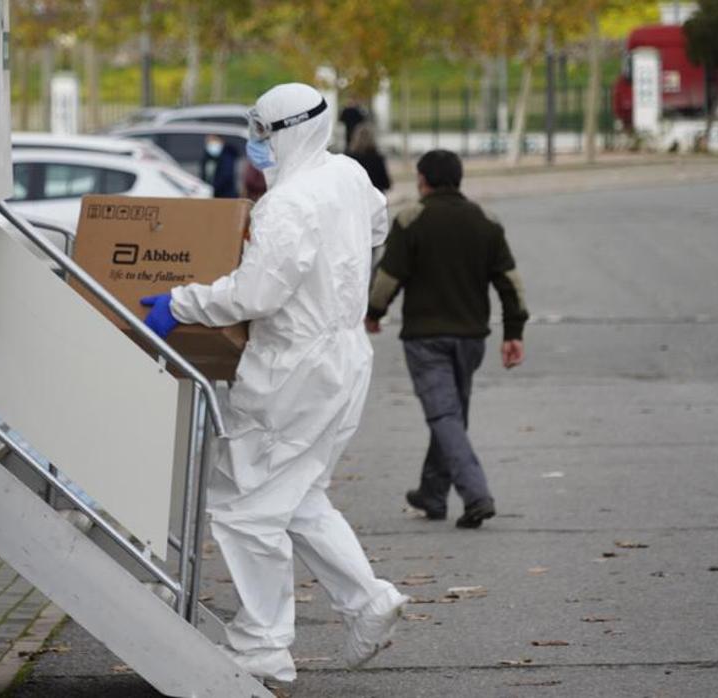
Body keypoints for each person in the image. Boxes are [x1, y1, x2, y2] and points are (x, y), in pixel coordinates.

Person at [139, 83, 409, 684]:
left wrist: (182, 303)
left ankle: (263, 644)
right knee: (298, 492)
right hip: (344, 357)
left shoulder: (285, 205)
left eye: (262, 131)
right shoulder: (347, 176)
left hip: (294, 368)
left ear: (287, 130)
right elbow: (375, 229)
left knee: (245, 507)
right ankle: (367, 601)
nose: (255, 145)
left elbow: (257, 294)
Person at [365, 150, 528, 529]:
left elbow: (389, 276)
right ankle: (432, 494)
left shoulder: (411, 220)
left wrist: (374, 312)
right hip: (471, 339)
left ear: (423, 180)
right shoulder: (486, 221)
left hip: (425, 339)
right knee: (451, 415)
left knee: (444, 415)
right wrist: (513, 332)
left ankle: (476, 495)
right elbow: (510, 283)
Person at [346, 122, 392, 193]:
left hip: (356, 197)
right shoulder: (377, 158)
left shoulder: (349, 159)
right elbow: (386, 184)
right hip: (375, 197)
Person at [201, 133, 240, 198]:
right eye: (208, 141)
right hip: (210, 196)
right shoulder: (207, 158)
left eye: (213, 140)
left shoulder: (228, 156)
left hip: (226, 196)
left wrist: (212, 189)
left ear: (221, 141)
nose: (211, 143)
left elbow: (226, 176)